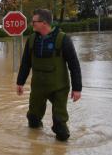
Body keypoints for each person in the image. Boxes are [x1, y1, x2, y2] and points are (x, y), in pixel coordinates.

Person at [16, 9, 82, 141]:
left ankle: (62, 153)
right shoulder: (31, 39)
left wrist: (77, 88)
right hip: (38, 87)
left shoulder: (63, 39)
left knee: (60, 126)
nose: (32, 23)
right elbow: (25, 63)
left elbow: (74, 65)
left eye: (34, 21)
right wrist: (20, 82)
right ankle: (35, 148)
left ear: (44, 23)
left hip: (59, 88)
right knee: (33, 120)